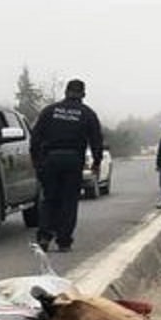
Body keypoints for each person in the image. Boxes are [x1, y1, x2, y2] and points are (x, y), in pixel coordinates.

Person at [29, 79, 103, 252]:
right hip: (73, 160)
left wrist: (37, 162)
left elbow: (35, 138)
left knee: (49, 199)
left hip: (50, 159)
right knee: (69, 201)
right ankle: (64, 240)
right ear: (83, 94)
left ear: (66, 92)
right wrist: (97, 162)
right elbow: (96, 140)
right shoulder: (87, 113)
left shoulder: (49, 111)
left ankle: (44, 236)